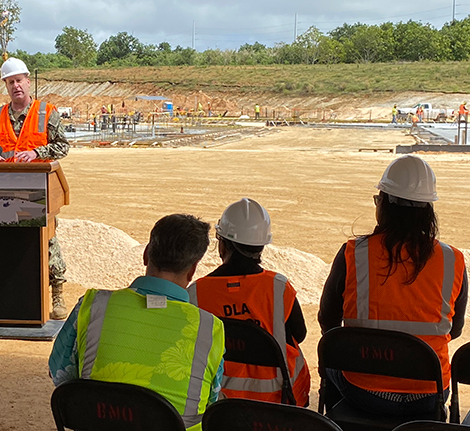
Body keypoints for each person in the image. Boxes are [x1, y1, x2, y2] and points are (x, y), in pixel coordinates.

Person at [318, 155, 467, 416]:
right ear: (428, 211)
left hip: (362, 389)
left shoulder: (354, 253)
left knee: (331, 360)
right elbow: (453, 331)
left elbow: (328, 320)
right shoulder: (453, 260)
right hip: (429, 391)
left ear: (384, 205)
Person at [49, 214, 226, 431]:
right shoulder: (210, 329)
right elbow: (212, 406)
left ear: (146, 254)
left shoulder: (92, 306)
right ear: (192, 270)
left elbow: (60, 377)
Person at [187, 198, 310, 406]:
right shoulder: (279, 288)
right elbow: (300, 334)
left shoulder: (196, 293)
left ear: (222, 244)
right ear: (261, 246)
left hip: (217, 404)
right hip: (277, 403)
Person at [0, 57, 70, 319]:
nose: (16, 86)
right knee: (11, 242)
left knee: (47, 240)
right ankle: (15, 295)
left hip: (40, 188)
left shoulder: (46, 112)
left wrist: (36, 152)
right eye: (10, 82)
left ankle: (57, 294)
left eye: (19, 80)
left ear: (28, 82)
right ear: (6, 85)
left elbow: (62, 146)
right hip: (3, 189)